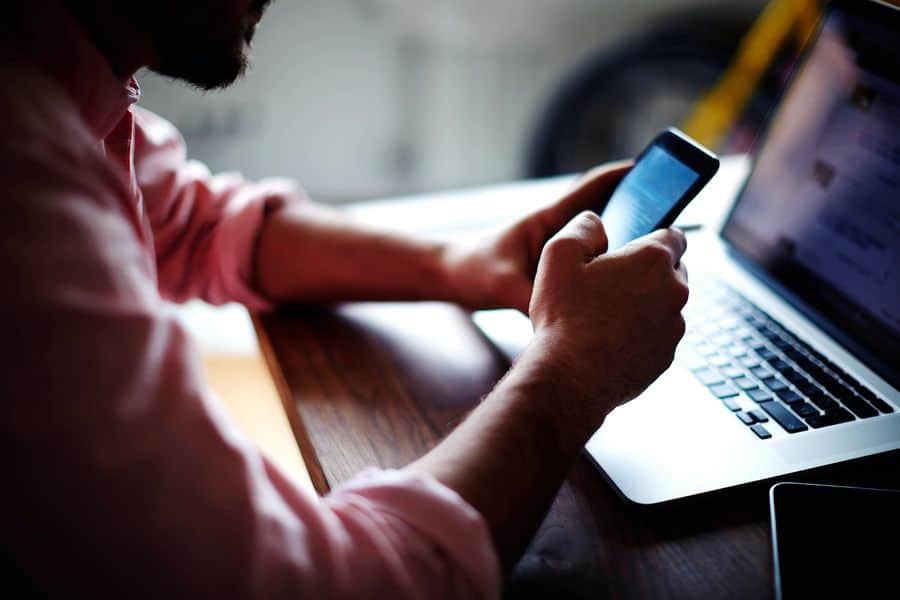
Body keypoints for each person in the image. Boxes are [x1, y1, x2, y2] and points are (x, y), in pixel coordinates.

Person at [0, 0, 689, 597]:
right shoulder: (22, 167)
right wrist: (570, 376)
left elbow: (189, 221)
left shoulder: (55, 79)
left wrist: (463, 263)